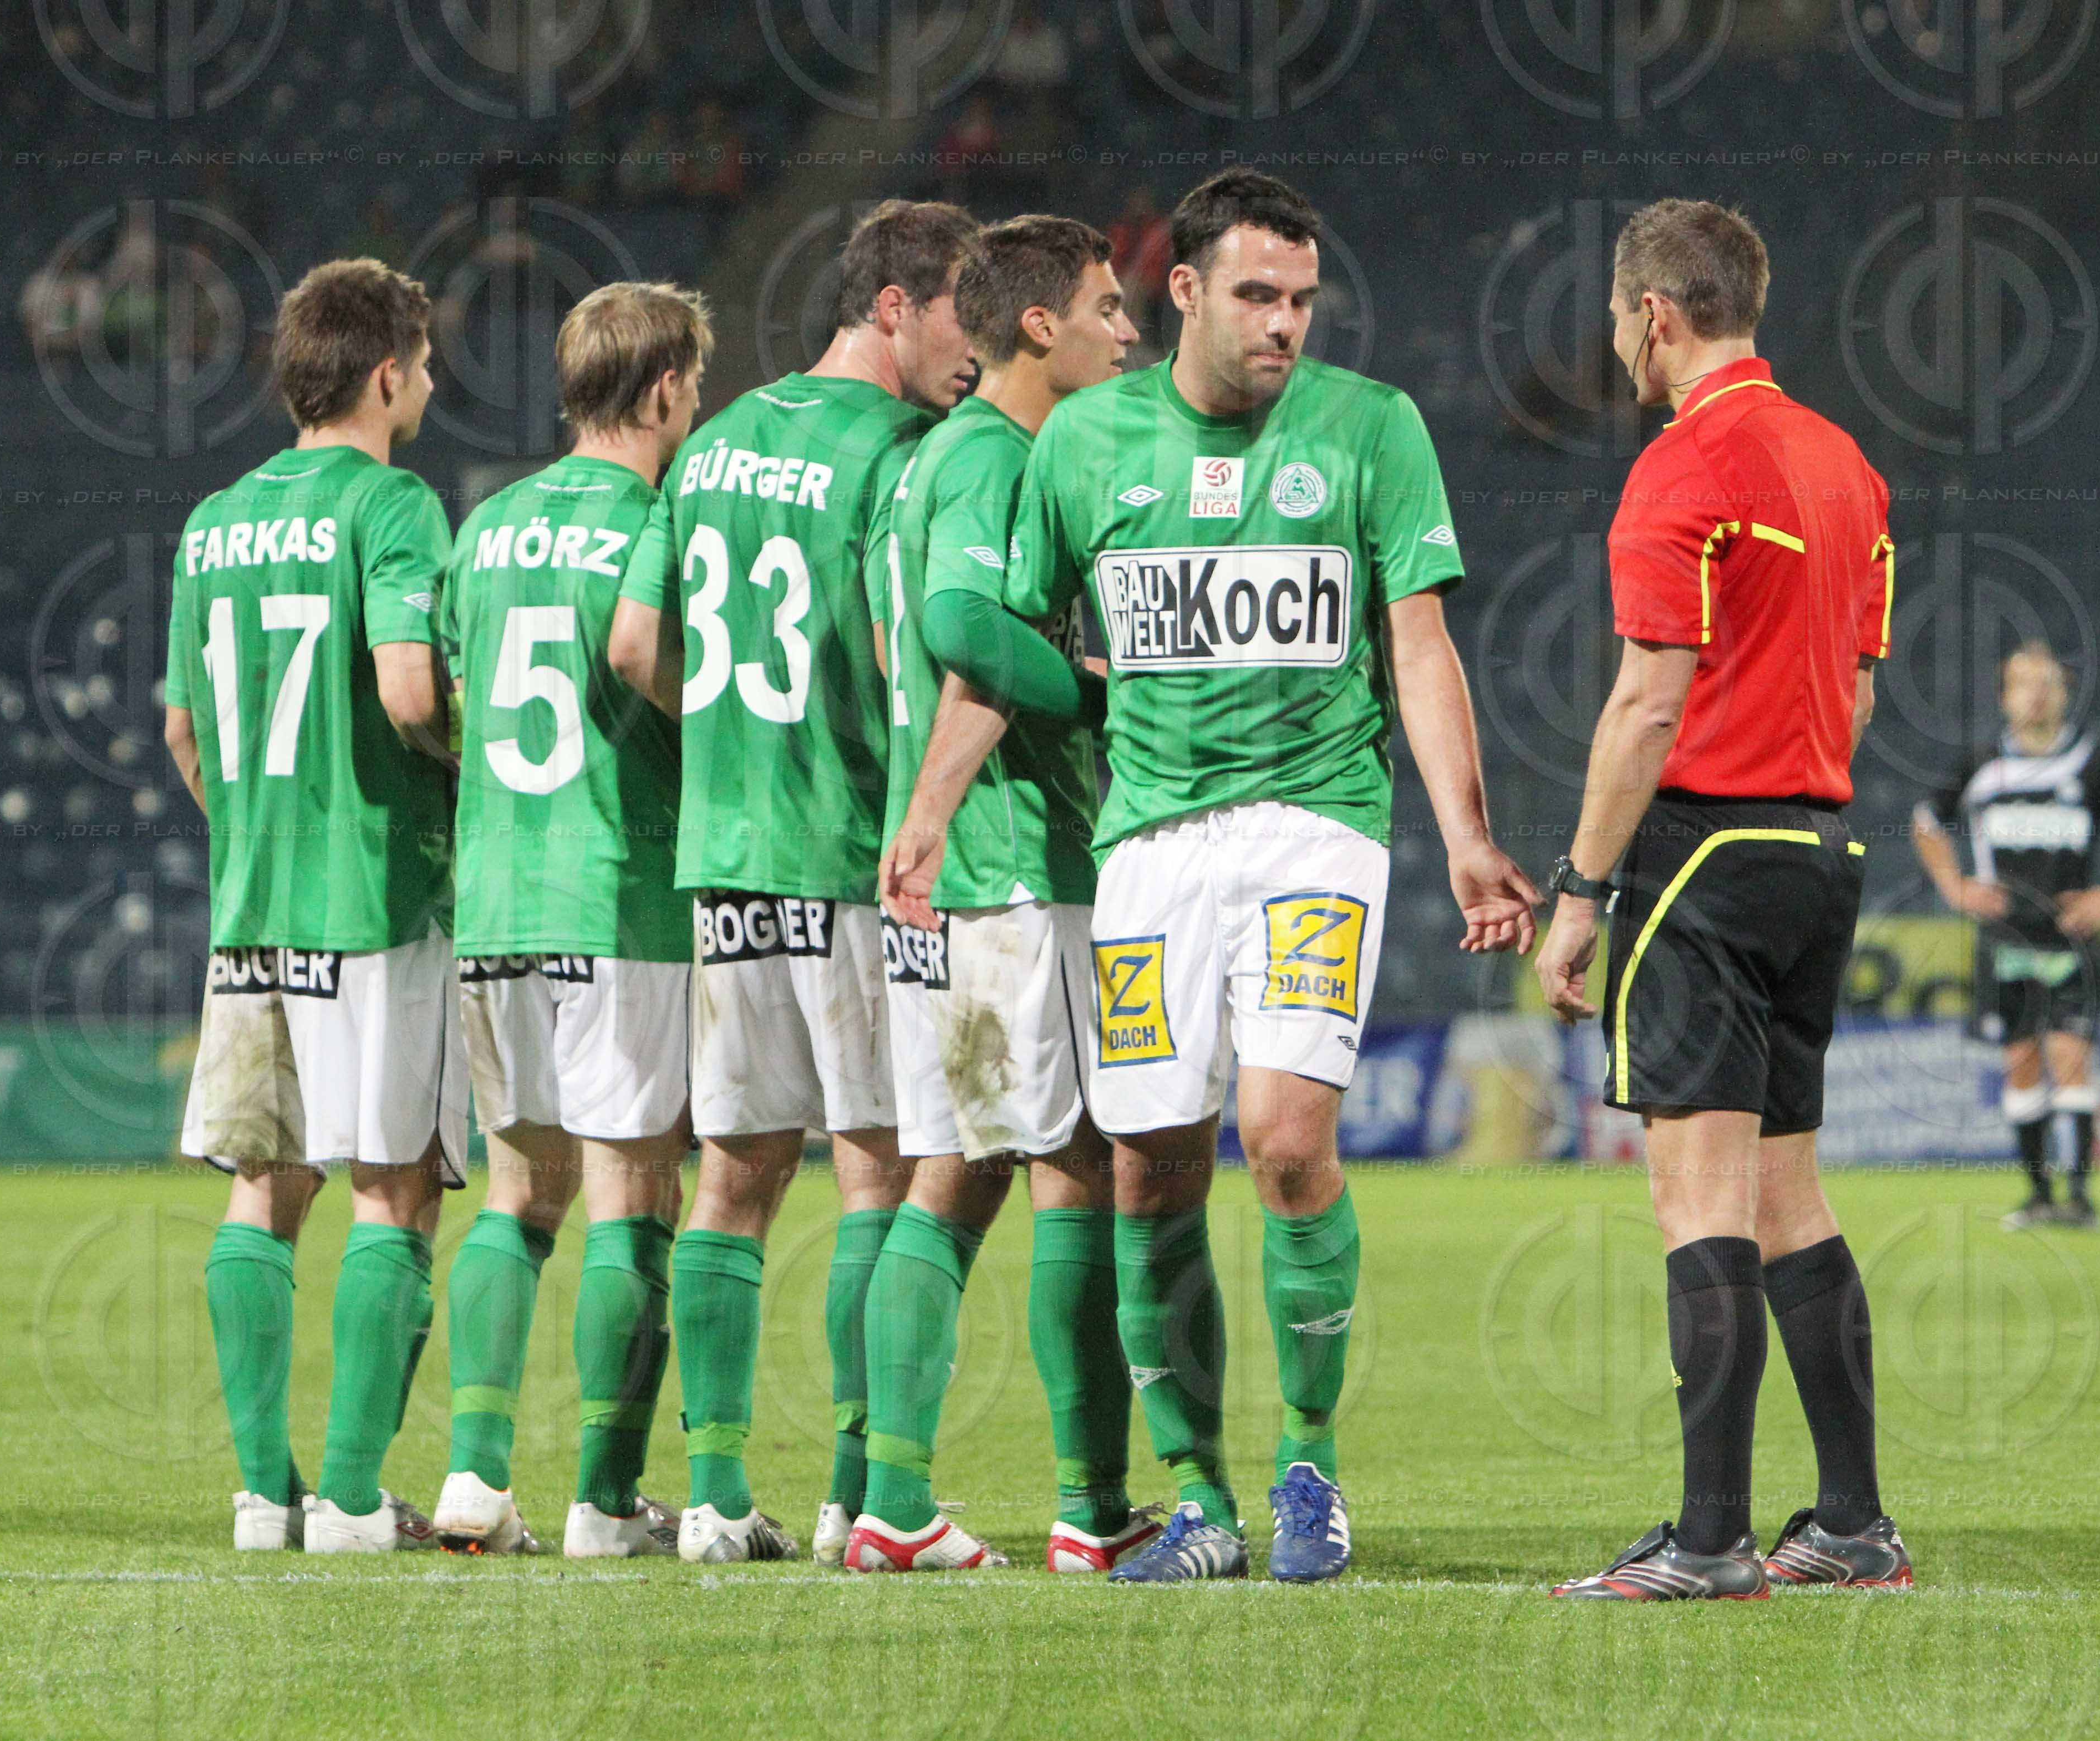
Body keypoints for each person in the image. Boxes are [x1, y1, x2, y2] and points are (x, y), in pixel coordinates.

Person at [998, 167, 1539, 1584]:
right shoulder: (1082, 444)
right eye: (1256, 294)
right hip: (1150, 845)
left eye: (1302, 298)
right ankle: (1198, 1496)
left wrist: (1468, 830)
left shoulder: (1372, 428)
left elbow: (1416, 641)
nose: (1285, 322)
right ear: (1181, 290)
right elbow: (1015, 641)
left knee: (1289, 1138)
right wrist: (930, 812)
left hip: (1316, 823)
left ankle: (1310, 1464)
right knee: (1149, 1162)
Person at [1534, 199, 1911, 1599]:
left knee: (1696, 1197)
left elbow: (1646, 700)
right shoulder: (1847, 466)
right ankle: (1853, 1523)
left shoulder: (1684, 466)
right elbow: (1859, 688)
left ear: (1656, 316)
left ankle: (1708, 1540)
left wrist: (1581, 891)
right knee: (1786, 1195)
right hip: (1821, 848)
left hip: (1700, 852)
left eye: (1621, 318)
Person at [612, 200, 983, 1566]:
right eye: (963, 312)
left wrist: (722, 746)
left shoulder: (712, 446)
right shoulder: (904, 454)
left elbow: (639, 641)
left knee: (733, 1175)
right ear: (895, 303)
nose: (977, 346)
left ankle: (711, 1498)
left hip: (723, 860)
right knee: (879, 1169)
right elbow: (907, 651)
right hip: (849, 855)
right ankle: (850, 1494)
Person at [857, 215, 1150, 1574]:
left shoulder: (922, 468)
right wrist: (1103, 690)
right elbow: (967, 634)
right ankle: (1094, 1507)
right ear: (1039, 325)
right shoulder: (998, 460)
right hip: (1028, 865)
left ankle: (894, 1499)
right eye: (1106, 306)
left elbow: (903, 643)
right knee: (1077, 1170)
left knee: (957, 1174)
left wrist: (921, 812)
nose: (1127, 330)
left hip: (974, 871)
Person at [162, 258, 462, 1553]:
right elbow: (408, 692)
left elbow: (183, 728)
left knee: (263, 1186)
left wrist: (250, 833)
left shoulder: (214, 520)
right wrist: (482, 759)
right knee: (396, 1191)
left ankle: (260, 1491)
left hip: (252, 907)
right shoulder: (393, 508)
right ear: (387, 373)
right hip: (377, 895)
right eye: (428, 364)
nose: (434, 385)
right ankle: (348, 1496)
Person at [428, 282, 715, 1560]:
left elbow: (434, 697)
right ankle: (606, 1496)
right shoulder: (659, 519)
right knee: (629, 1188)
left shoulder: (482, 527)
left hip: (494, 897)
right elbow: (647, 660)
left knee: (517, 1187)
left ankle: (473, 1476)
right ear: (663, 392)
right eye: (693, 388)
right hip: (620, 892)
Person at [1914, 643, 2100, 1229]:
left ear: (2063, 694)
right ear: (2004, 696)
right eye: (2022, 682)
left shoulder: (2092, 763)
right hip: (2004, 941)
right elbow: (1926, 822)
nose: (2035, 693)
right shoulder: (1981, 764)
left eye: (2047, 682)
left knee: (2070, 1057)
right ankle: (2037, 1195)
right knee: (2022, 1061)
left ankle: (2078, 1196)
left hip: (2070, 939)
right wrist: (1955, 886)